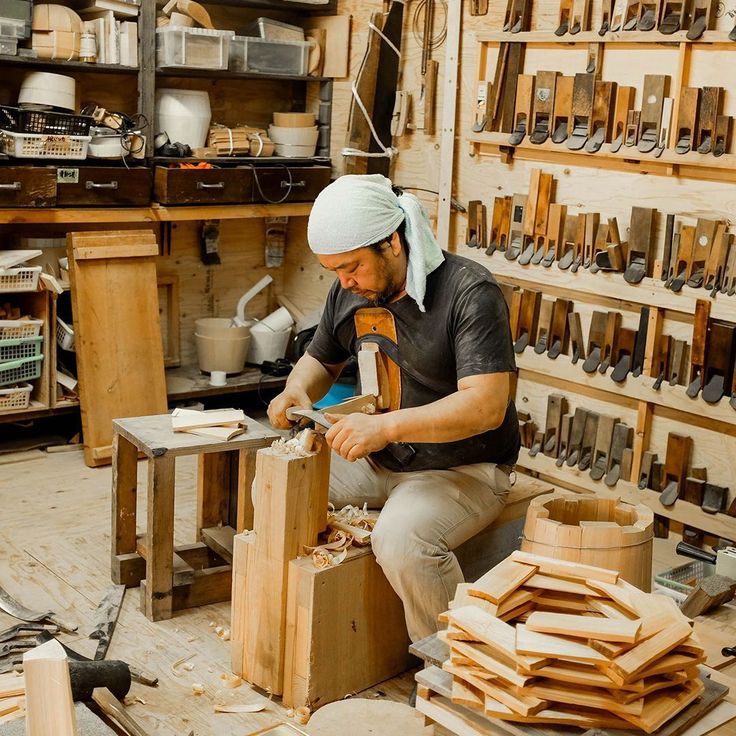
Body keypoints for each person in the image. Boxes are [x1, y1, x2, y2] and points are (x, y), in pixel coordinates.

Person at [267, 174, 520, 643]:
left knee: (403, 543)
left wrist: (385, 427)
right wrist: (297, 390)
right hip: (380, 458)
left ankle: (449, 670)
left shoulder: (469, 292)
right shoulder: (350, 290)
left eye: (352, 267)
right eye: (334, 271)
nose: (344, 282)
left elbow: (486, 406)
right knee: (275, 478)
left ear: (392, 241)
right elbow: (320, 359)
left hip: (463, 468)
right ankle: (301, 634)